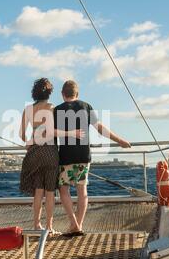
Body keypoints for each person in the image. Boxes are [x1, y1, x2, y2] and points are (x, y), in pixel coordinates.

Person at [54, 80, 131, 236]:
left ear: (62, 94)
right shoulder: (86, 106)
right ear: (77, 94)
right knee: (82, 191)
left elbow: (51, 133)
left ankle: (73, 224)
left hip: (65, 157)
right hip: (83, 155)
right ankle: (79, 225)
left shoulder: (57, 110)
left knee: (64, 190)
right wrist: (120, 140)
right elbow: (100, 128)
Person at [19, 78, 84, 236]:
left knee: (38, 192)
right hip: (50, 152)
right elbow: (52, 132)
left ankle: (36, 225)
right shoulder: (52, 108)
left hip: (34, 153)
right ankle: (49, 227)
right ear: (49, 92)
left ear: (34, 92)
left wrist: (30, 142)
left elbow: (22, 135)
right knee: (50, 192)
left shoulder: (27, 109)